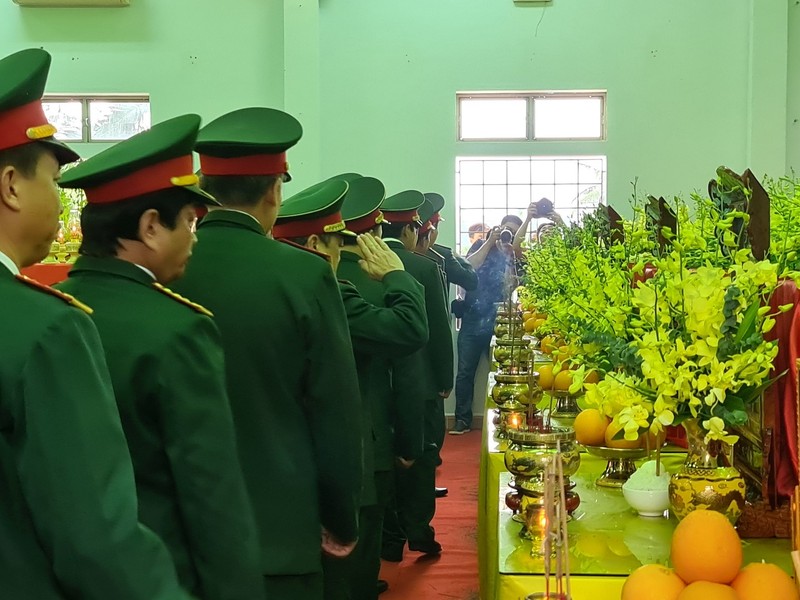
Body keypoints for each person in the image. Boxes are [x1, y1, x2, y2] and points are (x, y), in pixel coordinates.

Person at [0, 47, 191, 600]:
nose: (58, 202)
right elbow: (95, 539)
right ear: (11, 184)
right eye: (53, 179)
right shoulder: (43, 329)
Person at [55, 114, 264, 600]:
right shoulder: (177, 331)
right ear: (151, 226)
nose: (194, 238)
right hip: (163, 576)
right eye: (190, 222)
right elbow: (211, 495)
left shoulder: (53, 311)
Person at [171, 107, 363, 600]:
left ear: (202, 188)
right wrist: (341, 519)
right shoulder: (305, 275)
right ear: (275, 190)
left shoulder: (164, 268)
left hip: (177, 538)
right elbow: (334, 412)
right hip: (279, 537)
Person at [275, 174, 429, 600]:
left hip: (279, 467)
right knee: (350, 576)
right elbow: (409, 332)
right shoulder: (328, 293)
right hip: (345, 456)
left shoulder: (267, 286)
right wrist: (396, 277)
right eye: (334, 244)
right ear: (313, 246)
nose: (340, 254)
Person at [380, 190, 454, 562]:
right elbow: (439, 330)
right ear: (411, 229)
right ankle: (420, 532)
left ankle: (389, 540)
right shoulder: (424, 267)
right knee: (423, 458)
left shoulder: (364, 261)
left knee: (386, 459)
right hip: (422, 382)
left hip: (379, 385)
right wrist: (445, 380)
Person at [449, 214, 522, 435]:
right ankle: (462, 420)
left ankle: (506, 418)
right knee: (464, 372)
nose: (508, 236)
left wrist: (509, 256)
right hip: (472, 317)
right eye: (506, 230)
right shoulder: (482, 244)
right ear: (498, 228)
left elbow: (514, 286)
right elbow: (468, 267)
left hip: (501, 319)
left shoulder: (514, 253)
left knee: (504, 373)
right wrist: (491, 241)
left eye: (513, 233)